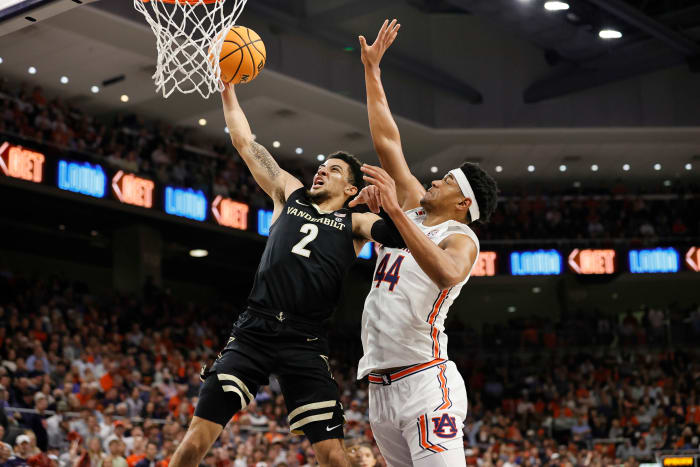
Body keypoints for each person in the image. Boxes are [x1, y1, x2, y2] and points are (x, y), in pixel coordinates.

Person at [169, 83, 406, 467]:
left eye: (331, 171)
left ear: (349, 187)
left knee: (332, 454)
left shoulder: (357, 221)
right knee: (196, 440)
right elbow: (246, 143)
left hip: (305, 340)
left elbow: (400, 239)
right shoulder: (289, 192)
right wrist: (228, 90)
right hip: (254, 331)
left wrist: (390, 206)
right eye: (320, 167)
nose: (319, 173)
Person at [349, 19, 498, 467]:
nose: (434, 178)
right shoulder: (414, 208)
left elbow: (448, 273)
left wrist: (393, 211)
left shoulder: (460, 237)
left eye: (447, 180)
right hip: (380, 387)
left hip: (426, 382)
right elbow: (387, 141)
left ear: (461, 203)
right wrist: (372, 70)